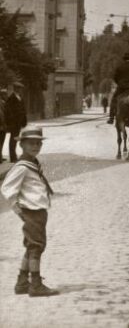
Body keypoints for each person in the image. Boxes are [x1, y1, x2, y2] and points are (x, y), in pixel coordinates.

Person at [1, 126, 59, 296]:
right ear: (22, 145)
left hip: (38, 209)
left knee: (31, 245)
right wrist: (17, 208)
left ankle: (21, 282)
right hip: (31, 210)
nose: (35, 146)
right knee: (36, 246)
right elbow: (7, 188)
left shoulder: (32, 162)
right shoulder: (22, 166)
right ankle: (35, 284)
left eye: (38, 143)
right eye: (31, 143)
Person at [5, 83, 27, 162]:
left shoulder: (20, 97)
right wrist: (12, 120)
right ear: (15, 89)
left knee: (15, 139)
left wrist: (23, 120)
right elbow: (8, 111)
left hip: (19, 122)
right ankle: (13, 157)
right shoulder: (12, 98)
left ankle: (14, 156)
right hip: (14, 123)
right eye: (18, 88)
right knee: (13, 139)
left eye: (20, 88)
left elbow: (23, 109)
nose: (20, 90)